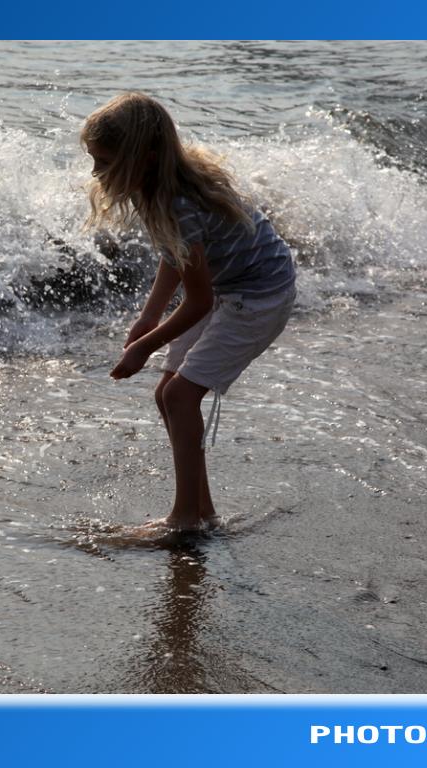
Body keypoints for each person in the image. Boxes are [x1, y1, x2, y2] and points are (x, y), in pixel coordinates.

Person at [81, 92, 296, 532]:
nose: (96, 172)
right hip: (225, 285)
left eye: (104, 162)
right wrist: (149, 315)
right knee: (167, 394)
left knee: (180, 396)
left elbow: (197, 301)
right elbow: (175, 257)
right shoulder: (154, 188)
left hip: (259, 294)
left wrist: (143, 346)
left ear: (146, 157)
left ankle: (184, 518)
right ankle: (202, 510)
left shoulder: (178, 203)